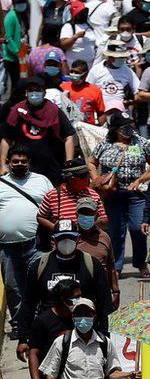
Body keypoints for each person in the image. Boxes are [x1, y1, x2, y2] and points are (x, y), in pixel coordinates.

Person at [18, 220, 114, 352]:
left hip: (85, 335)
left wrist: (106, 337)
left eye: (71, 237)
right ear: (54, 240)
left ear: (78, 238)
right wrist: (23, 338)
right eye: (62, 238)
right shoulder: (40, 266)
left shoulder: (92, 265)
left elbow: (105, 303)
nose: (66, 241)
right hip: (48, 338)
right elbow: (28, 302)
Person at [90, 111, 150, 276]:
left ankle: (141, 263)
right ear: (115, 129)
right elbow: (91, 162)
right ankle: (116, 266)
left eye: (130, 125)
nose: (129, 129)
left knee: (138, 228)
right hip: (112, 194)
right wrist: (97, 179)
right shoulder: (104, 144)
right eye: (124, 126)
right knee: (115, 230)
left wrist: (141, 180)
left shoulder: (140, 142)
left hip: (137, 194)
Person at [0, 146, 53, 343]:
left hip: (37, 244)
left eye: (23, 161)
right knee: (13, 287)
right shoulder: (2, 184)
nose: (20, 164)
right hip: (7, 246)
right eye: (15, 161)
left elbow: (53, 208)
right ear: (8, 163)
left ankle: (41, 321)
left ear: (29, 163)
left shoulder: (42, 181)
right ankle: (18, 325)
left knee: (40, 283)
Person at [0, 76, 77, 185]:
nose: (34, 93)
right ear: (26, 93)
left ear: (44, 92)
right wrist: (3, 165)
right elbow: (6, 139)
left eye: (37, 90)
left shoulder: (54, 111)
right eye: (31, 90)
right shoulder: (17, 110)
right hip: (22, 169)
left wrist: (69, 164)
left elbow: (69, 137)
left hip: (51, 168)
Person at [36, 159, 108, 248]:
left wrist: (88, 225)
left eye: (87, 175)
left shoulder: (93, 194)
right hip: (62, 246)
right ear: (70, 179)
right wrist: (57, 228)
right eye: (83, 176)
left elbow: (104, 220)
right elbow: (40, 217)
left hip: (88, 244)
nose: (87, 179)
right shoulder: (53, 195)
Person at [74, 197, 119, 307]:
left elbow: (111, 267)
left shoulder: (104, 237)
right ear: (77, 215)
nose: (86, 216)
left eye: (89, 213)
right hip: (75, 292)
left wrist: (115, 291)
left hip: (101, 291)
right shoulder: (70, 237)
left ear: (97, 216)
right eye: (82, 212)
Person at [86, 37, 139, 112]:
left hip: (121, 113)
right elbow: (88, 91)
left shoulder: (128, 71)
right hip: (100, 111)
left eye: (122, 57)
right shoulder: (96, 70)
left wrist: (130, 103)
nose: (121, 59)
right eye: (118, 57)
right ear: (109, 57)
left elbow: (138, 91)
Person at [61, 60, 105, 125]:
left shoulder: (95, 91)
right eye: (72, 71)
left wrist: (103, 129)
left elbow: (100, 113)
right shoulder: (63, 87)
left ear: (85, 75)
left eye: (77, 72)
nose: (73, 74)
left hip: (87, 128)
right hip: (68, 127)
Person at [60, 0, 97, 65]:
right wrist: (75, 37)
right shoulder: (68, 26)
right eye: (81, 12)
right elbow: (63, 45)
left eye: (84, 11)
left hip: (89, 64)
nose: (84, 13)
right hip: (73, 64)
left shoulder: (88, 25)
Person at [1, 0, 23, 89]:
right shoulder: (11, 17)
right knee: (12, 85)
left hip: (17, 57)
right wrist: (16, 51)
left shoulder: (19, 15)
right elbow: (8, 37)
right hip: (10, 57)